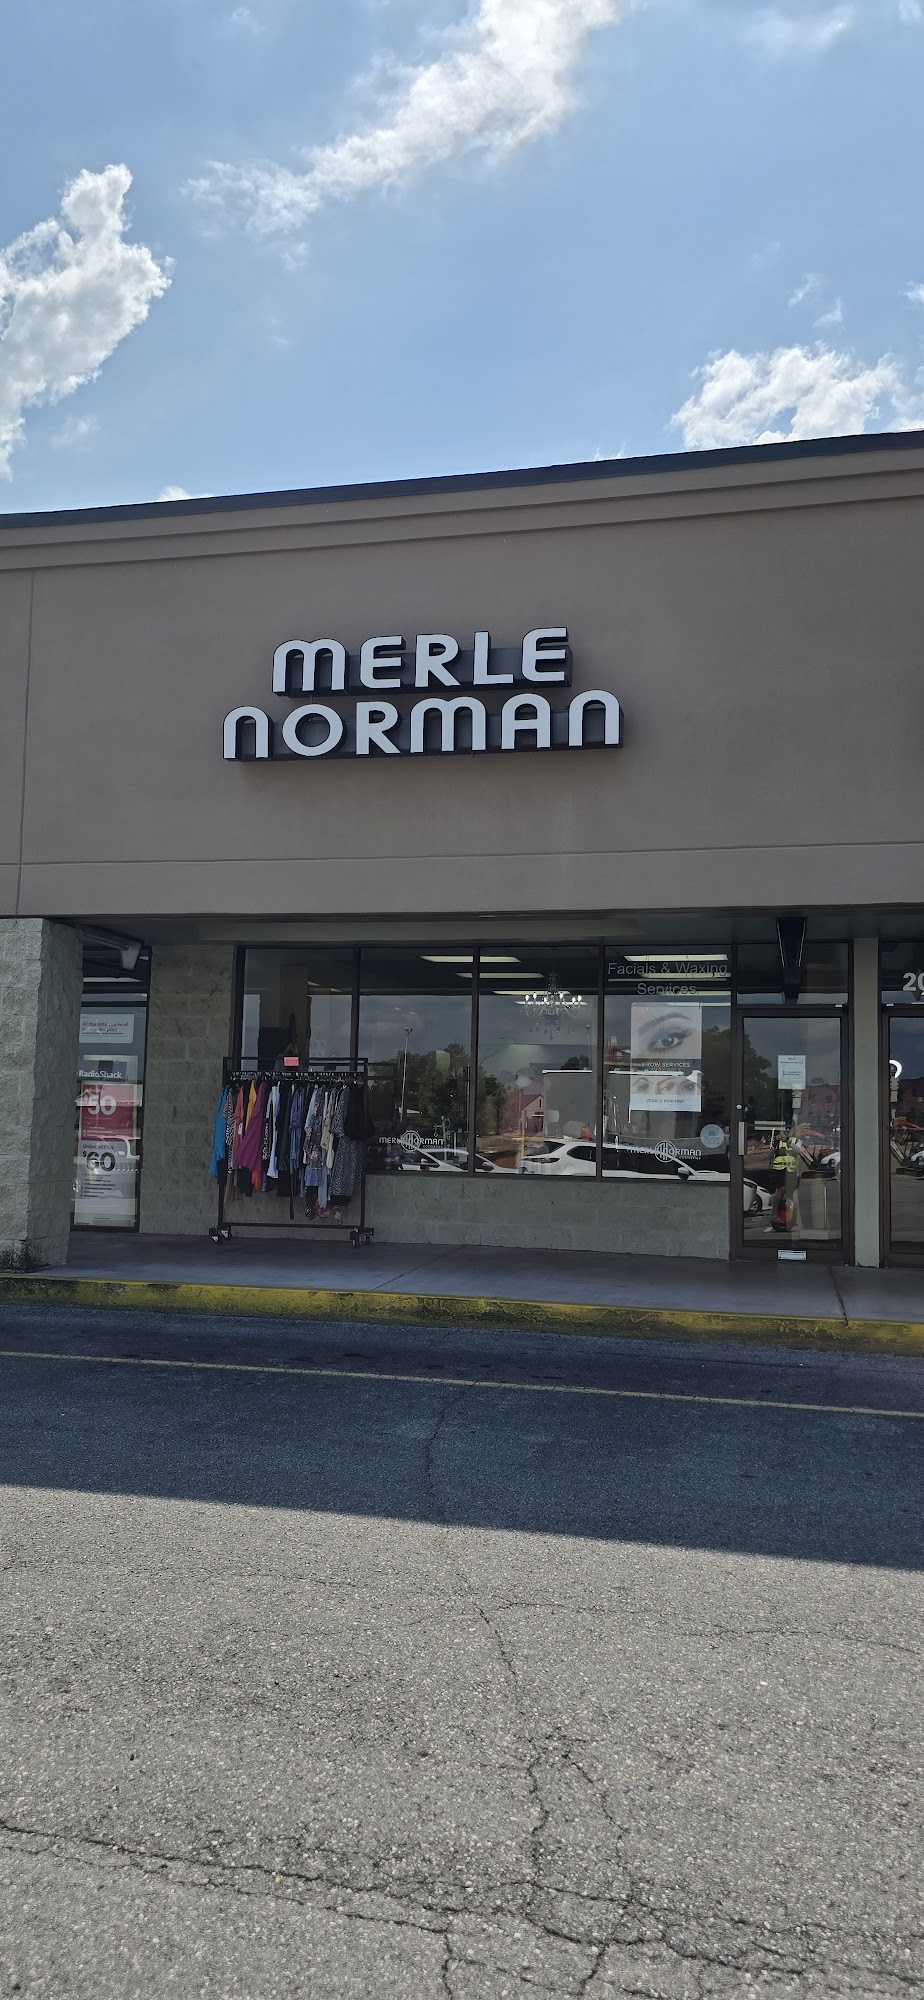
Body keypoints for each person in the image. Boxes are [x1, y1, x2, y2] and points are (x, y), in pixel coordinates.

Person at [770, 1127, 799, 1231]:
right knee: (781, 1189)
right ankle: (774, 1215)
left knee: (790, 1193)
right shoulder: (777, 1141)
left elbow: (799, 1150)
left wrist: (787, 1140)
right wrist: (775, 1141)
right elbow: (770, 1153)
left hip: (791, 1169)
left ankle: (789, 1216)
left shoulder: (795, 1140)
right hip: (780, 1169)